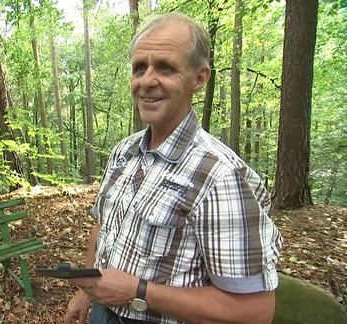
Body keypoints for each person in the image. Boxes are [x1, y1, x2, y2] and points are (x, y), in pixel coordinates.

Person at [64, 12, 283, 324]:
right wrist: (86, 292)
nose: (147, 80)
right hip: (102, 313)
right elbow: (103, 226)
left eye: (165, 68)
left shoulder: (220, 175)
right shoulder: (124, 152)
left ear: (199, 78)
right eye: (140, 68)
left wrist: (138, 290)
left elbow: (255, 313)